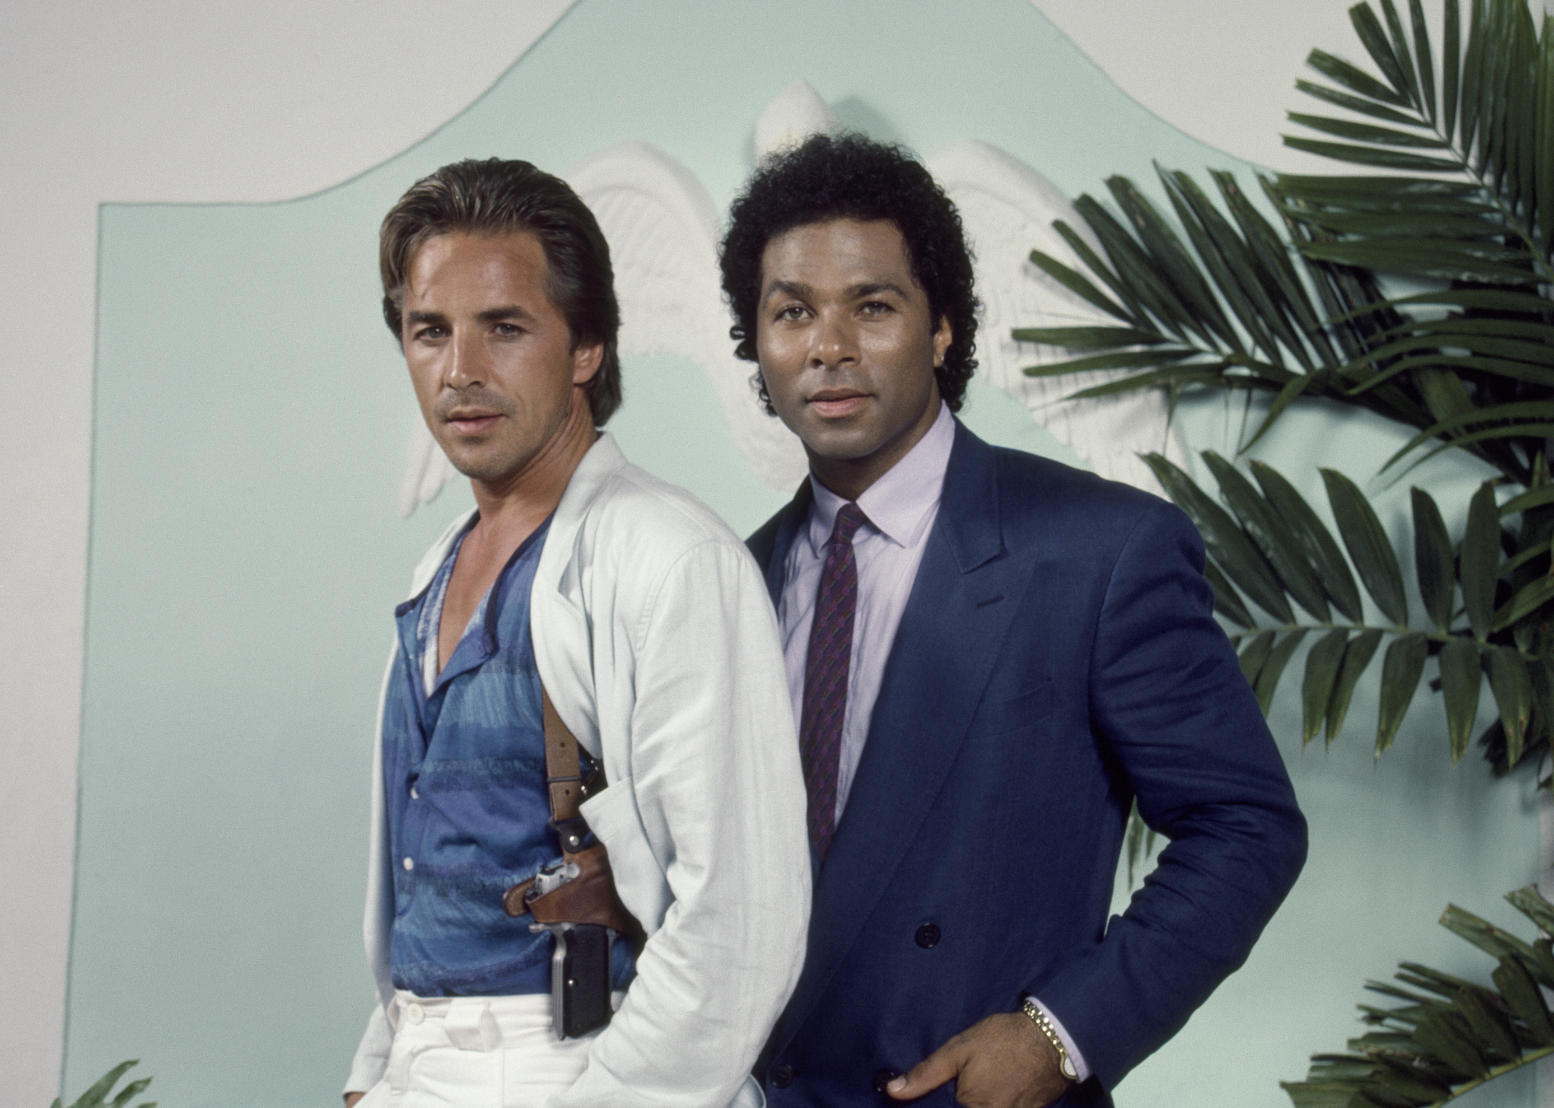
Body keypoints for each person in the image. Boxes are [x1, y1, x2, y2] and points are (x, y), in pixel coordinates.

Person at [722, 133, 1307, 1108]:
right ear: (758, 344)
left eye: (873, 305)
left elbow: (1247, 826)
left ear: (943, 329)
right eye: (793, 312)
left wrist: (1060, 1033)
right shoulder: (729, 583)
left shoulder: (1101, 549)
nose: (829, 346)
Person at [343, 158, 809, 1108]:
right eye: (430, 331)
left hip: (573, 1060)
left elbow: (738, 922)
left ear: (587, 346)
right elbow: (428, 877)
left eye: (505, 327)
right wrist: (374, 1074)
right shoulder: (435, 571)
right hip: (419, 1060)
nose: (461, 370)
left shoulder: (670, 557)